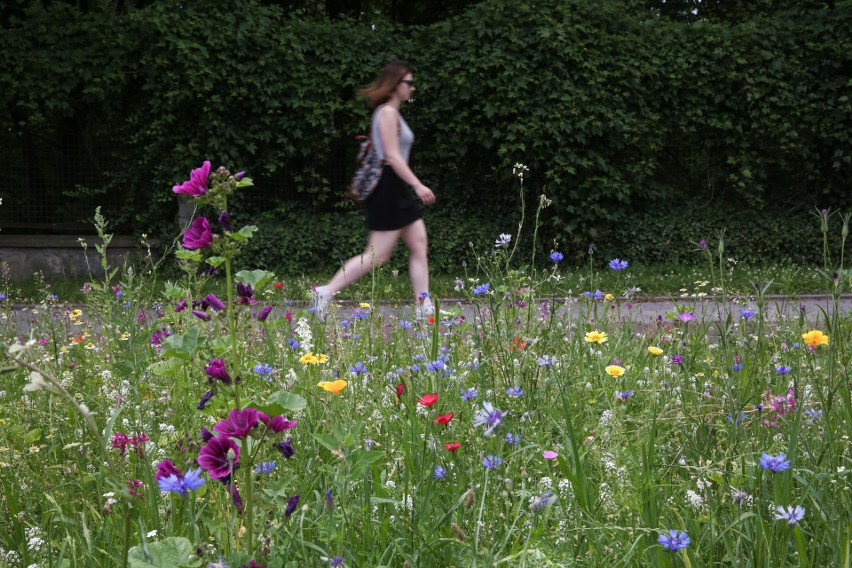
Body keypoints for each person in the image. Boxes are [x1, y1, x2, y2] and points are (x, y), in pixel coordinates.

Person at [312, 61, 436, 320]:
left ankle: (424, 307)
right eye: (408, 83)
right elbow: (391, 155)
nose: (412, 88)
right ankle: (325, 291)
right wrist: (417, 184)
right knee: (377, 255)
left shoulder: (393, 112)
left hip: (396, 187)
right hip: (389, 188)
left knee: (419, 244)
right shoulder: (387, 113)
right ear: (395, 84)